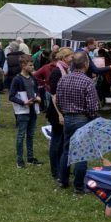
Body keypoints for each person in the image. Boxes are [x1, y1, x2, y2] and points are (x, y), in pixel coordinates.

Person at [56, 52, 99, 193]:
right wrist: (93, 118)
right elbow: (93, 107)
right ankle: (79, 186)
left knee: (67, 150)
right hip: (83, 118)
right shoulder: (88, 82)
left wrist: (64, 113)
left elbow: (59, 101)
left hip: (68, 118)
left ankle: (63, 181)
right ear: (86, 64)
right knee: (82, 153)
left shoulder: (63, 80)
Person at [9, 55, 43, 168]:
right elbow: (11, 96)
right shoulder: (17, 79)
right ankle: (19, 160)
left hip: (33, 110)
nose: (32, 67)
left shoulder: (33, 78)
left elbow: (37, 90)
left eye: (32, 64)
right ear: (23, 65)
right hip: (23, 112)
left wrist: (38, 97)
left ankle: (30, 157)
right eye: (30, 65)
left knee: (30, 135)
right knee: (21, 136)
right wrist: (24, 103)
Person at [46, 47, 72, 183]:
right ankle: (55, 170)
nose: (72, 58)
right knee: (56, 141)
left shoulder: (65, 70)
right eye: (70, 56)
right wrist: (60, 114)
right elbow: (54, 95)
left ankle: (62, 168)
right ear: (64, 58)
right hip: (56, 111)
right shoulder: (57, 71)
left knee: (62, 140)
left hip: (63, 110)